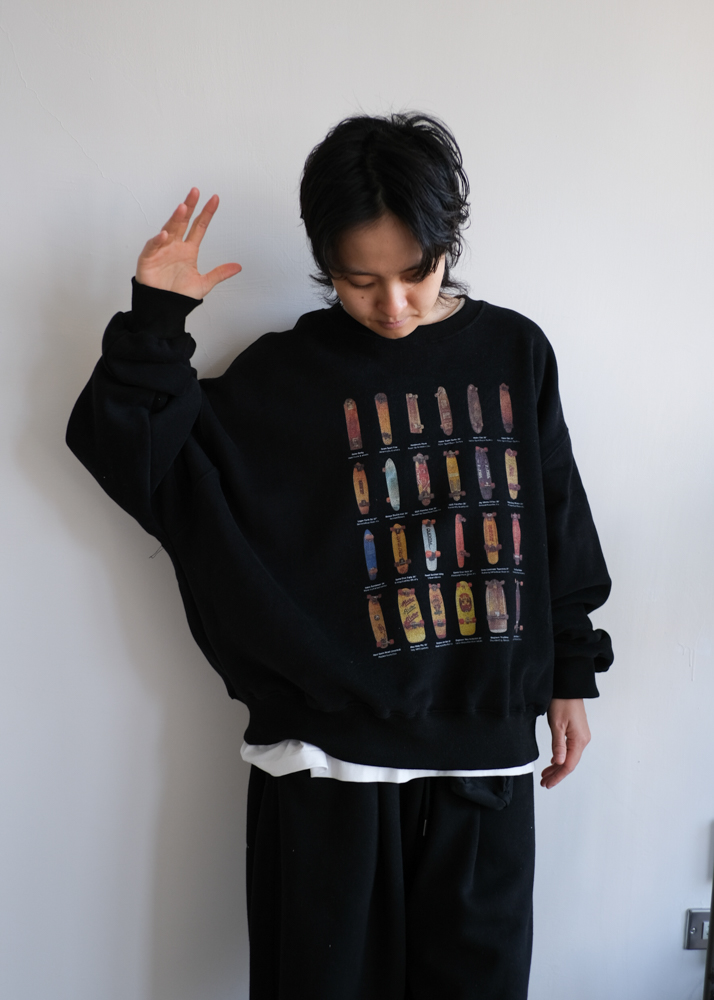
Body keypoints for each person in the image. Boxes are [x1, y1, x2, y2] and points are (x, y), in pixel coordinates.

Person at [67, 112, 613, 999]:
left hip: (485, 755)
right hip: (329, 764)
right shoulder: (287, 376)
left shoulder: (514, 351)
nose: (393, 305)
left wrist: (571, 677)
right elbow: (138, 458)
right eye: (361, 281)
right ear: (324, 263)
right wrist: (155, 320)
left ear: (448, 243)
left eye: (416, 273)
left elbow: (556, 519)